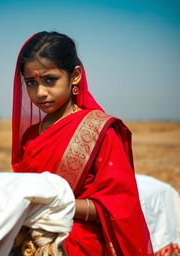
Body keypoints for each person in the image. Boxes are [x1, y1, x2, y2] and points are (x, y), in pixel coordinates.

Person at [11, 31, 154, 255]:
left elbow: (120, 208)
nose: (40, 92)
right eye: (31, 82)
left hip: (78, 240)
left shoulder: (101, 132)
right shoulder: (30, 136)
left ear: (75, 75)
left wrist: (55, 204)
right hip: (30, 233)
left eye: (50, 80)